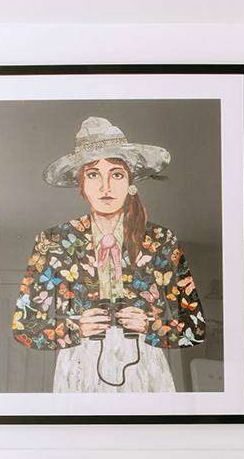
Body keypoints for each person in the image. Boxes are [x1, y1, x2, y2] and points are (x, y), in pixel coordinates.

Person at [12, 116, 205, 393]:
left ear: (130, 180)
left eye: (116, 174)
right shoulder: (55, 240)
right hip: (78, 367)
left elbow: (195, 326)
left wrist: (150, 326)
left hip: (145, 367)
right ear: (81, 183)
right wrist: (75, 327)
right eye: (93, 174)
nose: (105, 187)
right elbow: (24, 327)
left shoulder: (162, 240)